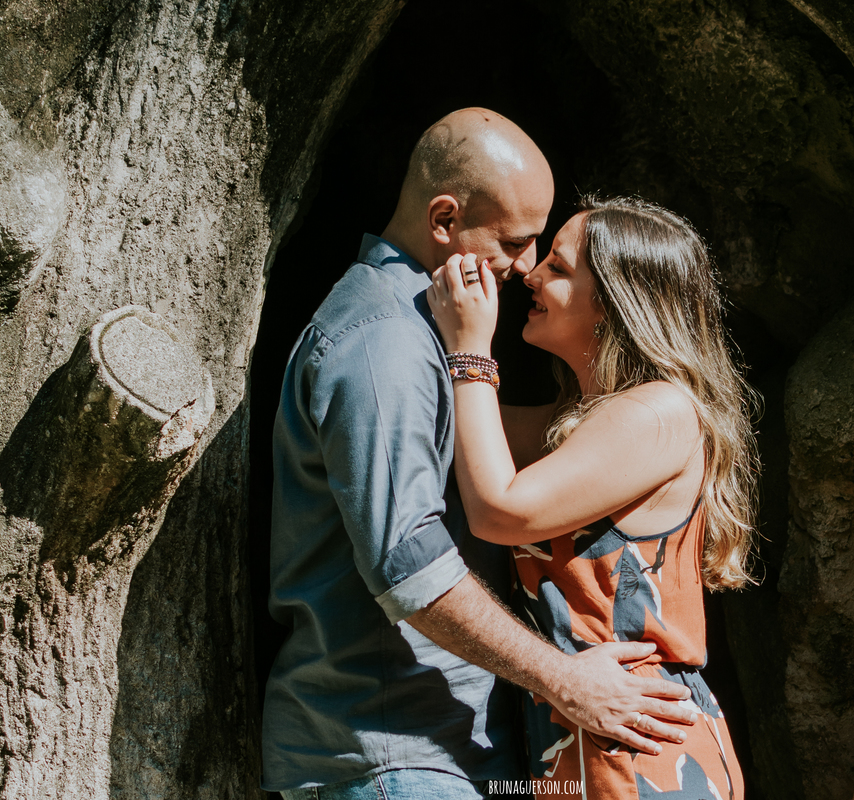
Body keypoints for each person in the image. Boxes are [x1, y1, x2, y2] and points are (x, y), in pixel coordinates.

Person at [261, 111, 697, 800]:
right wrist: (562, 678)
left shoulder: (426, 331)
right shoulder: (386, 342)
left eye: (550, 259)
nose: (525, 269)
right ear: (443, 221)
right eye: (519, 244)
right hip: (395, 752)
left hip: (477, 755)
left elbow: (539, 448)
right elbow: (407, 560)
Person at [428, 195, 759, 799]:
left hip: (643, 755)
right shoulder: (579, 418)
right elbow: (456, 431)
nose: (529, 275)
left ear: (611, 301)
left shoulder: (659, 412)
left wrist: (471, 349)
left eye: (556, 267)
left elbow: (499, 509)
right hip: (582, 750)